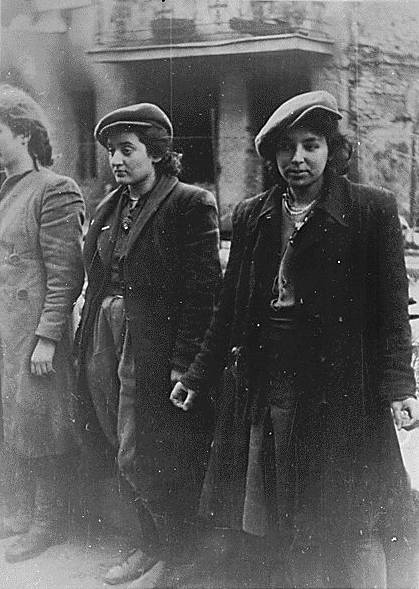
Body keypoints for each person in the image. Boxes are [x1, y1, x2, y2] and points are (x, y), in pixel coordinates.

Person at [171, 91, 419, 588]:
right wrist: (198, 374)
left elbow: (392, 310)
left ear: (333, 149)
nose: (298, 159)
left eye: (311, 145)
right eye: (287, 148)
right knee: (285, 512)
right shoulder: (252, 216)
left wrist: (400, 388)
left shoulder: (371, 211)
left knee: (351, 518)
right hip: (272, 388)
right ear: (272, 155)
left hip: (345, 391)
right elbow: (231, 308)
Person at [75, 103, 221, 588]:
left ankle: (176, 556)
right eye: (112, 152)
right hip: (105, 335)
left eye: (128, 150)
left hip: (152, 343)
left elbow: (204, 292)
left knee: (147, 448)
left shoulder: (189, 203)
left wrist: (184, 362)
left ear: (156, 153)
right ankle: (149, 543)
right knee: (117, 438)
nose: (117, 161)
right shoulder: (108, 207)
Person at [0, 84, 85, 562]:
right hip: (4, 333)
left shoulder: (55, 189)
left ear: (25, 134)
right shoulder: (5, 190)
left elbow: (65, 273)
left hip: (34, 335)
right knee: (13, 421)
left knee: (43, 425)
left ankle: (47, 523)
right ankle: (21, 514)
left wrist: (48, 337)